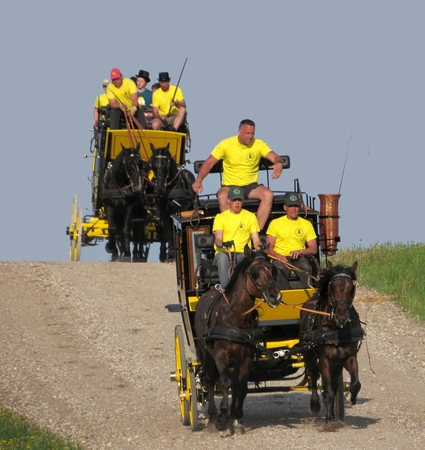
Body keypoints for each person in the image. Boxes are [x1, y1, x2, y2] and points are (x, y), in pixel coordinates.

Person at [192, 119, 284, 230]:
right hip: (230, 186)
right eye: (247, 133)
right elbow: (209, 163)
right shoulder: (226, 144)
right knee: (222, 196)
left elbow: (275, 157)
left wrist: (279, 163)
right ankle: (231, 231)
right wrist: (199, 180)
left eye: (252, 133)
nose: (250, 136)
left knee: (268, 194)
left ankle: (256, 232)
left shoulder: (259, 144)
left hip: (251, 186)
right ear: (239, 132)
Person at [265, 192, 317, 289]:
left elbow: (313, 248)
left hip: (298, 258)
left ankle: (308, 299)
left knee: (305, 268)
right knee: (280, 269)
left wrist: (300, 251)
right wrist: (278, 256)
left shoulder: (306, 224)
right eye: (290, 206)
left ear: (300, 207)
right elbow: (268, 248)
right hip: (280, 258)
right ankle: (282, 297)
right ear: (285, 207)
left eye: (296, 206)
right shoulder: (275, 223)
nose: (293, 209)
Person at [213, 186, 262, 286]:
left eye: (239, 200)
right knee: (222, 260)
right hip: (225, 252)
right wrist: (223, 244)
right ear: (228, 200)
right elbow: (218, 238)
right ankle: (226, 290)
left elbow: (256, 240)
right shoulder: (220, 217)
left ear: (243, 201)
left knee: (244, 260)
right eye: (234, 200)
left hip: (242, 252)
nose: (237, 203)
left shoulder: (250, 216)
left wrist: (260, 247)